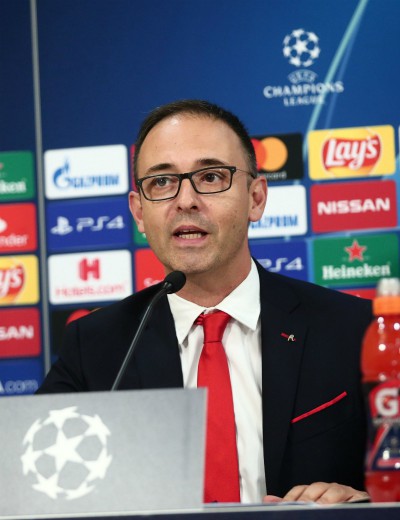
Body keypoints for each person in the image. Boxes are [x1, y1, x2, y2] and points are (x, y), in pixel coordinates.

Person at [38, 99, 372, 504]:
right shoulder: (95, 347)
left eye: (211, 177)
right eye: (162, 182)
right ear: (139, 212)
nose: (186, 200)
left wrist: (366, 504)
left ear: (256, 199)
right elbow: (35, 489)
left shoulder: (353, 329)